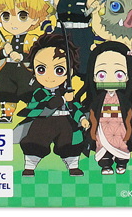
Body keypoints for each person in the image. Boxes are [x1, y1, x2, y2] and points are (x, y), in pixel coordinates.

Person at [15, 33, 90, 177]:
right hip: (43, 122)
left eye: (59, 70)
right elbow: (47, 103)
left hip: (65, 121)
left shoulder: (68, 92)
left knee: (71, 142)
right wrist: (63, 99)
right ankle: (29, 166)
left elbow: (75, 108)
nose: (49, 76)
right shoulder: (39, 92)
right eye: (41, 69)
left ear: (70, 71)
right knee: (35, 141)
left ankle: (73, 166)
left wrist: (82, 119)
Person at [0, 0, 52, 123]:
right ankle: (7, 114)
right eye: (6, 16)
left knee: (29, 92)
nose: (13, 22)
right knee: (5, 90)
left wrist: (22, 57)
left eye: (22, 16)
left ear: (35, 17)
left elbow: (39, 56)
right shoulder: (6, 40)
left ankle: (34, 111)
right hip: (8, 71)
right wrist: (4, 53)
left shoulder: (34, 39)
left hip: (26, 71)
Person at [76, 42, 132, 175]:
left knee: (122, 145)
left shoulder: (123, 98)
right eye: (101, 75)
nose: (110, 79)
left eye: (119, 74)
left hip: (120, 126)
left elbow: (130, 111)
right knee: (102, 146)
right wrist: (86, 121)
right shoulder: (98, 99)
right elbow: (92, 111)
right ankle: (106, 165)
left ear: (127, 76)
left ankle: (121, 163)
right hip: (102, 126)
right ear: (93, 77)